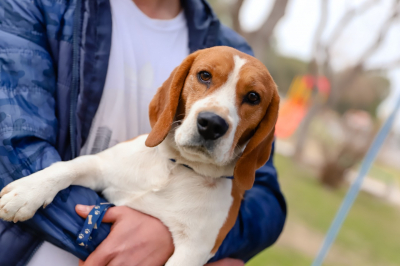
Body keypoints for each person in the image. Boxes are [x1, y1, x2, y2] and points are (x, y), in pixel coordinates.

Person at [0, 0, 287, 265]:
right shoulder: (41, 6)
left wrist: (210, 242)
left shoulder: (230, 44)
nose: (215, 118)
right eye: (205, 77)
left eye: (251, 99)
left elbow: (267, 202)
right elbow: (12, 146)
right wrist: (109, 232)